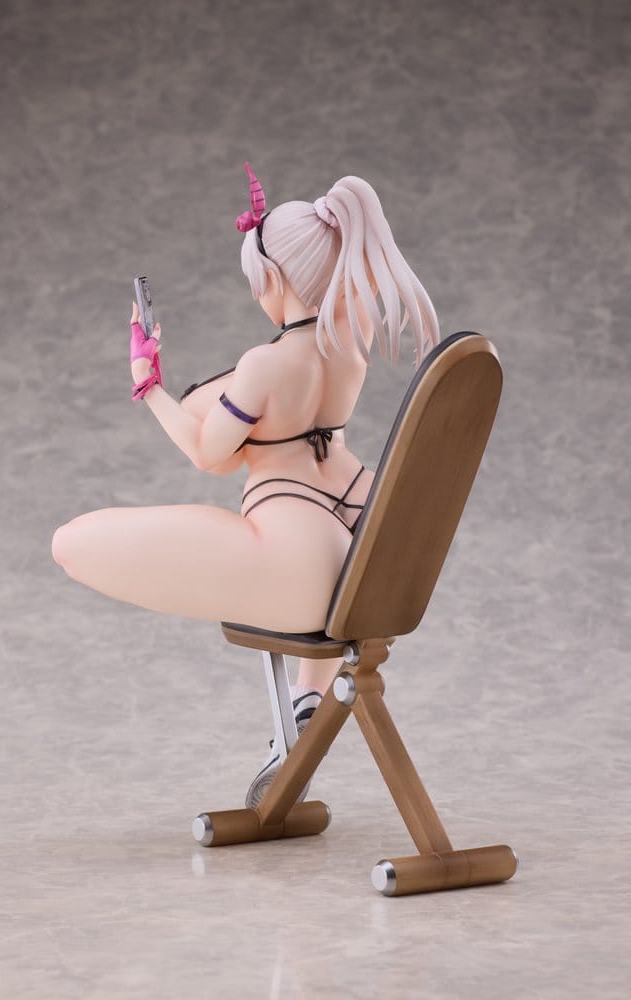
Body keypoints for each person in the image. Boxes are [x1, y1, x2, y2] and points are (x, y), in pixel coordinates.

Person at [51, 165, 440, 807]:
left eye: (258, 282)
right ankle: (307, 703)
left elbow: (210, 456)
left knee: (73, 542)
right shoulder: (354, 336)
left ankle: (299, 720)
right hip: (367, 535)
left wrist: (149, 385)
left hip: (298, 545)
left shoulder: (265, 364)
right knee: (326, 608)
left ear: (276, 280)